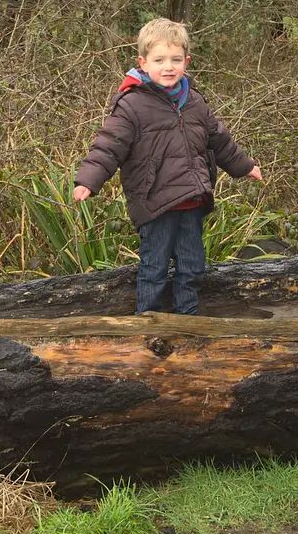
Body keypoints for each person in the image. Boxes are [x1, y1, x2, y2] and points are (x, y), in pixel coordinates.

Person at [72, 17, 264, 315]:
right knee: (154, 267)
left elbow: (220, 140)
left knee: (193, 267)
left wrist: (244, 166)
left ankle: (187, 321)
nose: (168, 67)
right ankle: (146, 322)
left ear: (186, 61)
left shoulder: (195, 102)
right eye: (159, 59)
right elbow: (108, 146)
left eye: (175, 59)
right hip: (155, 204)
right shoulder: (132, 105)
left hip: (192, 200)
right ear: (143, 62)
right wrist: (88, 180)